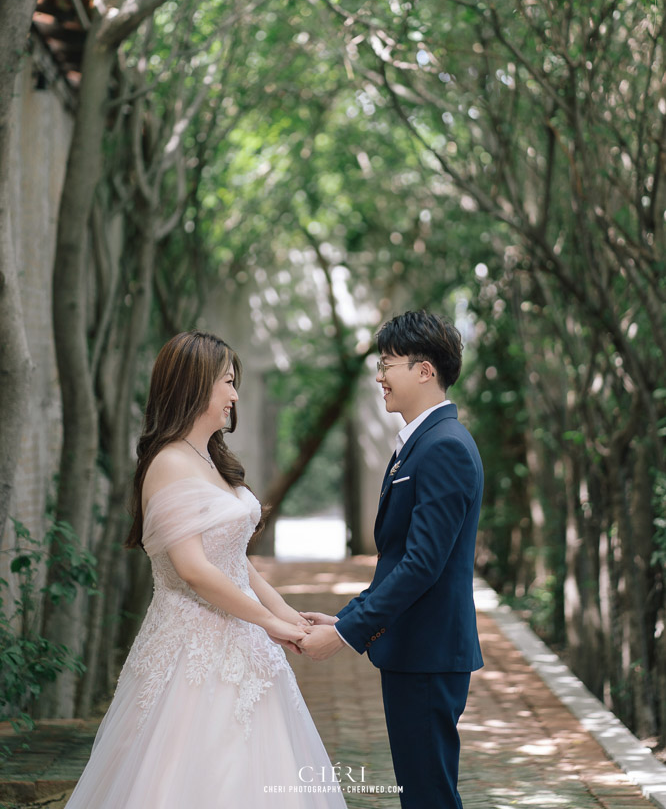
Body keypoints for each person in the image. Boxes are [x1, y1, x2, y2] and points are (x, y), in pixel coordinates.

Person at [65, 330, 347, 809]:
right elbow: (194, 570)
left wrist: (287, 613)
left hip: (242, 640)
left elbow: (236, 562)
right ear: (195, 385)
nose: (235, 395)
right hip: (191, 649)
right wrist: (270, 622)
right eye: (228, 382)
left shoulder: (211, 458)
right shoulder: (168, 463)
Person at [300, 309, 484, 809]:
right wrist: (347, 616)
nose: (379, 377)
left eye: (388, 364)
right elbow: (404, 556)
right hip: (415, 651)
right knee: (423, 792)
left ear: (425, 370)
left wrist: (343, 634)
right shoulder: (421, 444)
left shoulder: (443, 447)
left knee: (428, 796)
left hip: (428, 652)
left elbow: (423, 565)